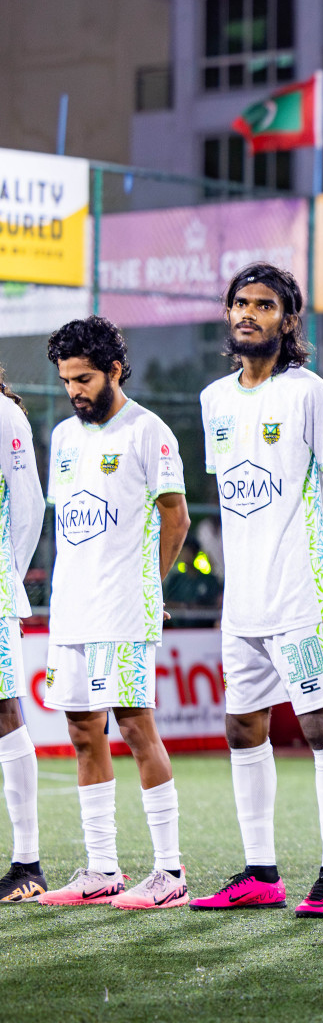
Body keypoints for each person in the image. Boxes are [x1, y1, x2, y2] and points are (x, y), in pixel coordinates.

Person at [191, 263, 323, 917]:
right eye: (240, 303)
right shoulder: (214, 401)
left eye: (263, 305)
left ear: (288, 320)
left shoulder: (310, 394)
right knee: (241, 726)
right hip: (244, 602)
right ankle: (261, 872)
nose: (248, 314)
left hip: (301, 594)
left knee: (318, 724)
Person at [37, 316, 191, 909]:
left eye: (84, 378)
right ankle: (102, 869)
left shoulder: (148, 432)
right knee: (82, 732)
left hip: (123, 608)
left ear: (115, 371)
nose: (74, 390)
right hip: (72, 610)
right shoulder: (66, 437)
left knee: (133, 726)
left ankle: (169, 873)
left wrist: (147, 587)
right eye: (67, 379)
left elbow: (175, 517)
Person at [0, 367, 46, 903]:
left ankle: (27, 863)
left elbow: (29, 505)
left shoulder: (5, 414)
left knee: (4, 712)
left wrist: (8, 572)